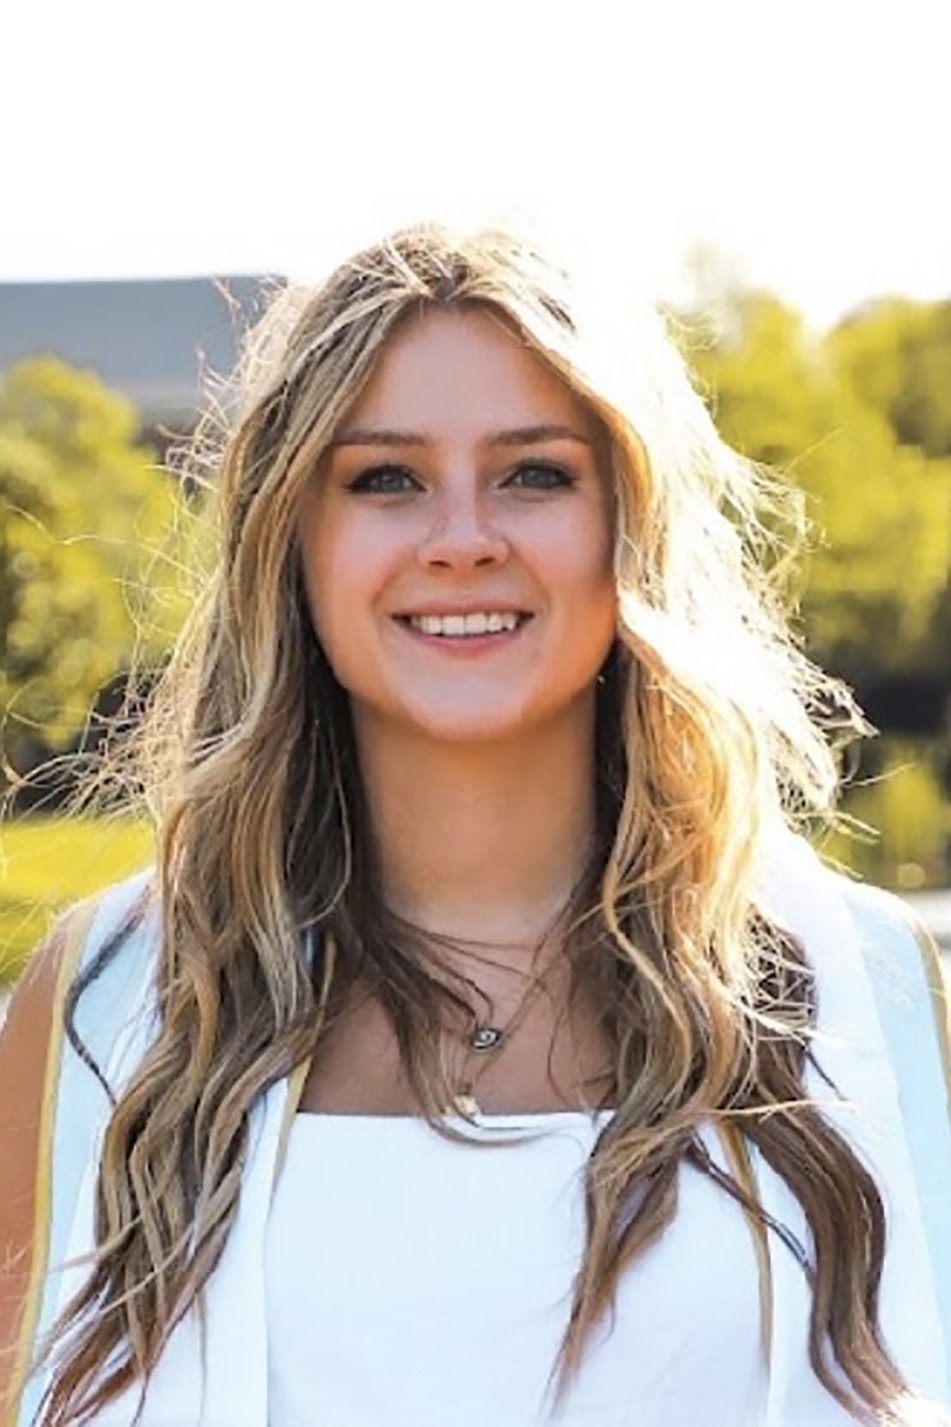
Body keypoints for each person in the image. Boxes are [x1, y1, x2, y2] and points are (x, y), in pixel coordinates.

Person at [0, 222, 949, 1427]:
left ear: (631, 524)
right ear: (293, 542)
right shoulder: (111, 1002)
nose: (462, 539)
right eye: (385, 478)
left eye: (535, 473)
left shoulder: (864, 988)